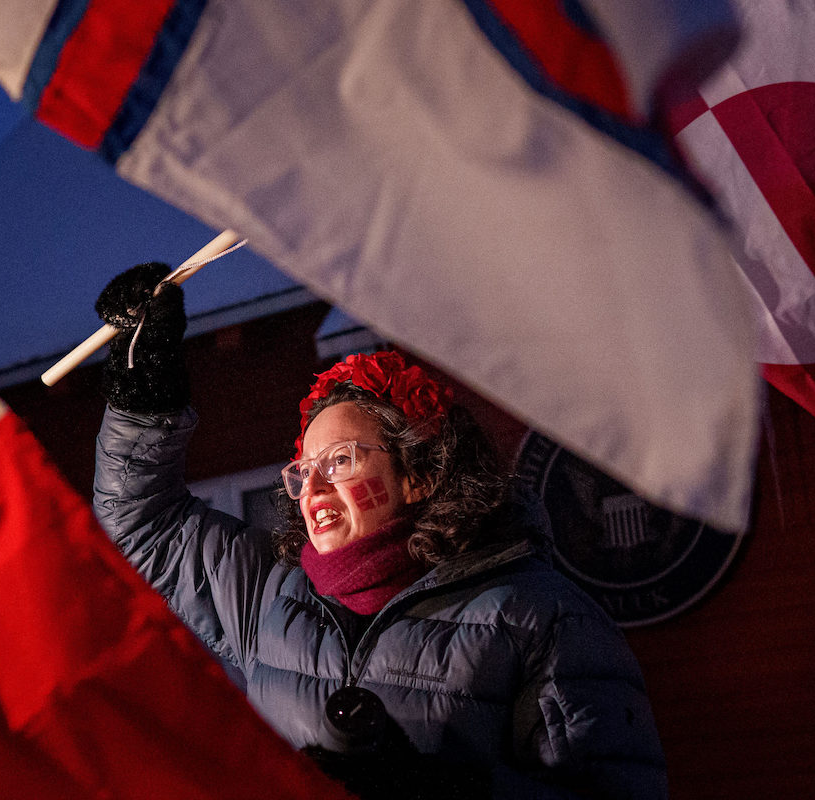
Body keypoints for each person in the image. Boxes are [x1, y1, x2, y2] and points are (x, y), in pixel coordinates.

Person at [92, 263, 668, 799]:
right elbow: (142, 522)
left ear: (418, 473)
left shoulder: (535, 616)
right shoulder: (267, 602)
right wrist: (146, 400)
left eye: (340, 461)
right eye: (303, 470)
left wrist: (431, 788)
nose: (312, 487)